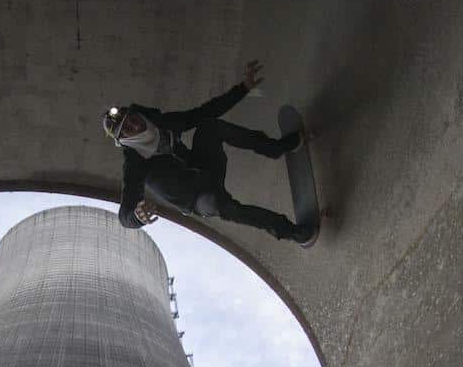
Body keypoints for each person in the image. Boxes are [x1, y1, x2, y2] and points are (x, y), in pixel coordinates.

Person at [102, 60, 316, 244]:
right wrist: (137, 216)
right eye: (127, 129)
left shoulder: (161, 123)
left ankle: (277, 148)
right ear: (124, 140)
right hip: (197, 199)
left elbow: (201, 113)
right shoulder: (135, 163)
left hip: (205, 168)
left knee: (208, 126)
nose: (134, 125)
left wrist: (242, 89)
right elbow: (124, 214)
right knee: (225, 207)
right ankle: (292, 232)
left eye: (132, 119)